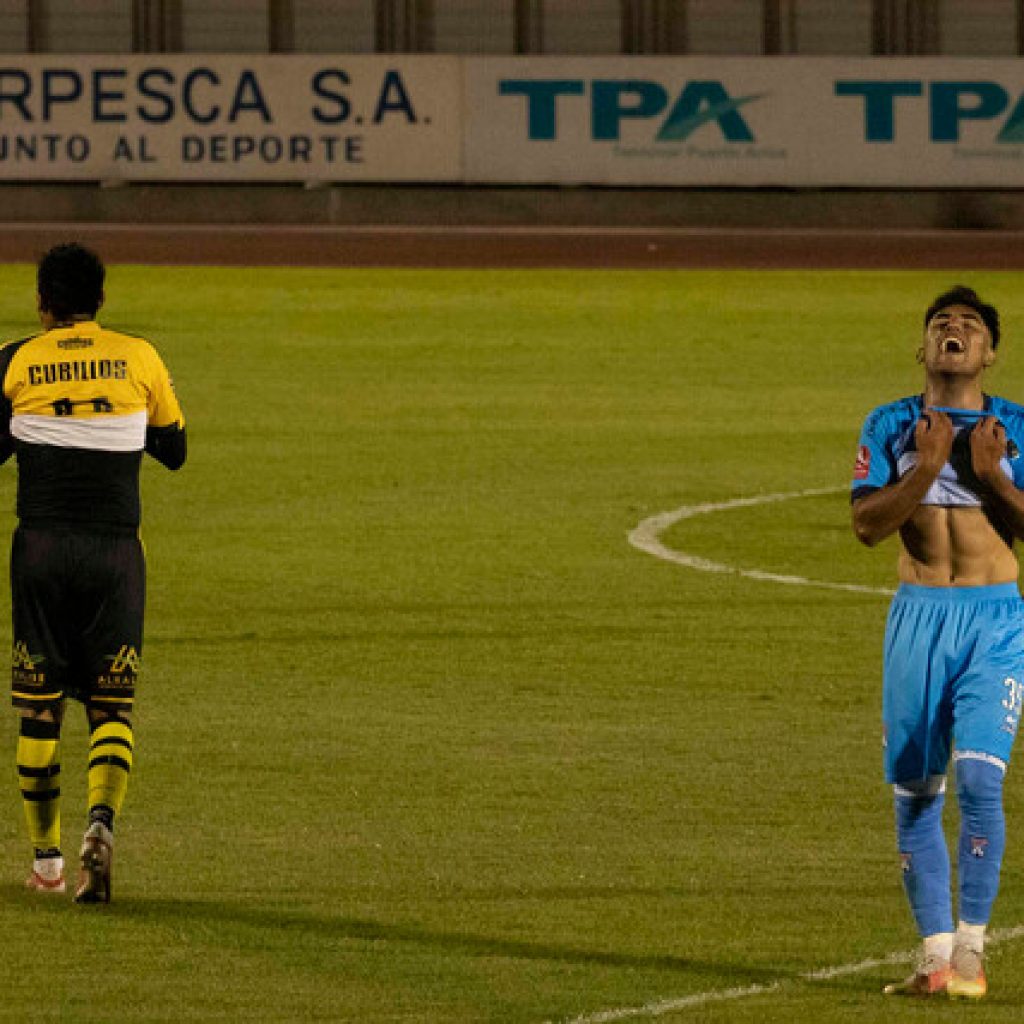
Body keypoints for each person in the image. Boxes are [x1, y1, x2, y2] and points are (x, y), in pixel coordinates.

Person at [852, 285, 1024, 999]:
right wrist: (924, 469)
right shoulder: (890, 424)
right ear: (922, 349)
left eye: (970, 326)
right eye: (941, 324)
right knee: (917, 796)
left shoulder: (1014, 427)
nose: (954, 331)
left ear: (987, 352)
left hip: (996, 621)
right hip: (918, 619)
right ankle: (932, 961)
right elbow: (866, 526)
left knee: (982, 782)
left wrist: (989, 477)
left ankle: (972, 958)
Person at [0, 243, 186, 903]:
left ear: (43, 304)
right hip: (115, 554)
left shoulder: (16, 359)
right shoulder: (138, 355)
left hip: (41, 551)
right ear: (100, 302)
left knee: (39, 710)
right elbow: (175, 450)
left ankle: (47, 864)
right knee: (112, 704)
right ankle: (100, 825)